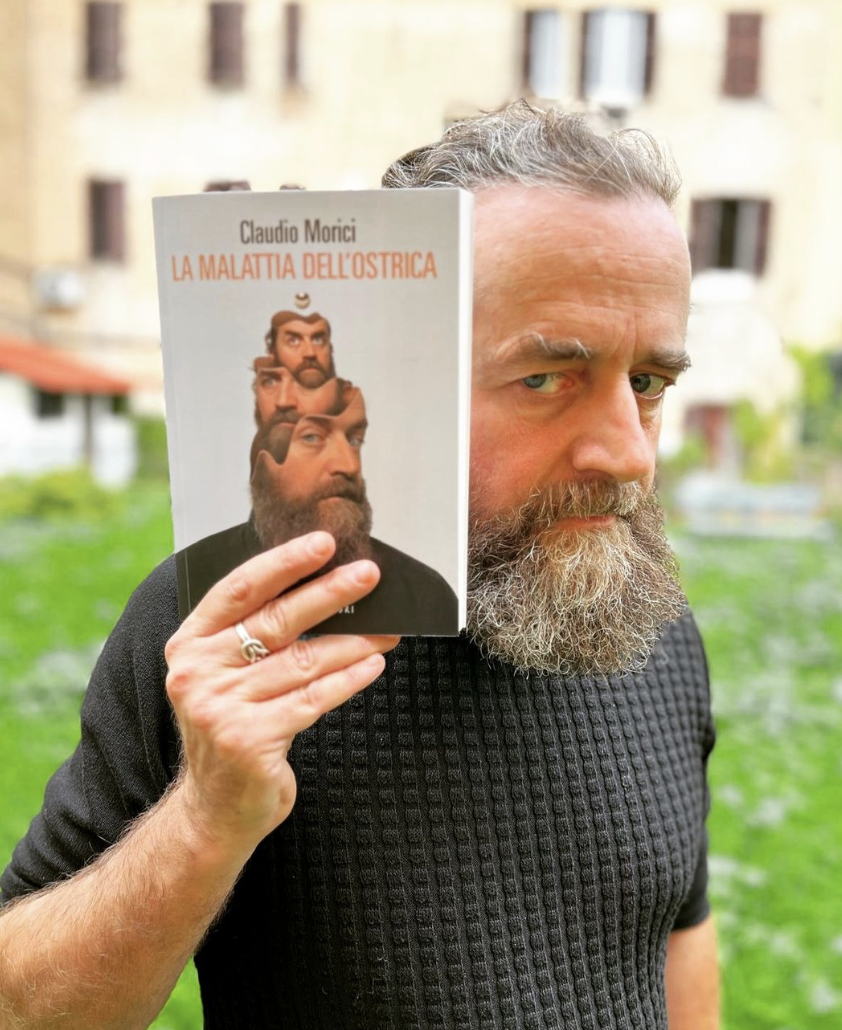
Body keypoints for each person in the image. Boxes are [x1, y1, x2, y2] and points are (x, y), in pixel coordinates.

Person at [0, 103, 718, 1029]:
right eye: (546, 378)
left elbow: (676, 938)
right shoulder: (227, 628)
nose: (627, 455)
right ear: (408, 375)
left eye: (649, 384)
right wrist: (205, 816)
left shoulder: (646, 615)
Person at [180, 369, 459, 633]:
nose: (349, 465)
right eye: (312, 436)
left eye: (354, 440)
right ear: (263, 462)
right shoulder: (185, 587)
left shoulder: (424, 597)